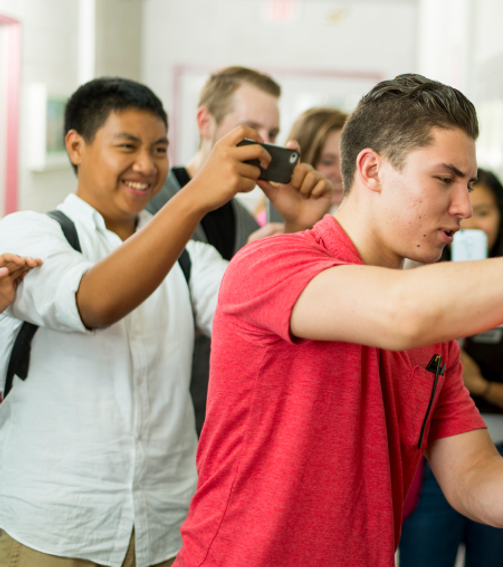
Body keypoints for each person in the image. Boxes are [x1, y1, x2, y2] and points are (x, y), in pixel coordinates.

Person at [175, 73, 503, 567]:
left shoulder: (436, 340)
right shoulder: (271, 265)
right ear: (371, 170)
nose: (463, 205)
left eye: (470, 183)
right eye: (445, 179)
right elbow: (402, 311)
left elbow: (476, 480)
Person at [0, 77, 331, 567]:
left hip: (165, 528)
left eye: (158, 149)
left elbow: (269, 318)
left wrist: (302, 229)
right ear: (76, 146)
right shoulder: (32, 233)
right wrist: (197, 195)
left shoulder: (189, 259)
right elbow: (92, 302)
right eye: (127, 147)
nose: (147, 166)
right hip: (54, 531)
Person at [145, 66, 310, 434]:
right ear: (205, 122)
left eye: (273, 133)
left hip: (222, 416)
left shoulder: (247, 223)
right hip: (159, 414)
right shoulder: (153, 204)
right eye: (252, 130)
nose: (267, 145)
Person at [399, 170, 503, 567]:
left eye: (484, 211)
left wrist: (482, 385)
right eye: (464, 211)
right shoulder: (412, 290)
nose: (470, 219)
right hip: (431, 457)